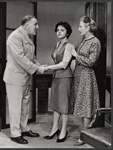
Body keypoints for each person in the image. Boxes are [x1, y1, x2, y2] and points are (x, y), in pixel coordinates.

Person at [3, 15, 45, 144]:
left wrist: (40, 65)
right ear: (27, 24)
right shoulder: (15, 37)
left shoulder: (27, 37)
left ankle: (24, 128)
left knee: (25, 107)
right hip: (15, 78)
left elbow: (32, 57)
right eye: (35, 24)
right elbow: (20, 58)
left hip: (25, 77)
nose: (37, 27)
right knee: (15, 107)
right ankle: (15, 134)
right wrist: (37, 69)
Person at [43, 21, 77, 143]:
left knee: (64, 105)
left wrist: (47, 67)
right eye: (57, 30)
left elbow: (63, 65)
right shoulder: (57, 44)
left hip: (65, 77)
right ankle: (54, 128)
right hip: (56, 77)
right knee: (56, 104)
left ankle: (63, 130)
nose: (59, 32)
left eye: (62, 30)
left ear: (67, 32)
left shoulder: (69, 46)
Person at [71, 16, 101, 146]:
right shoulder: (83, 39)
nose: (78, 29)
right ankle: (85, 134)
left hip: (86, 76)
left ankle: (85, 136)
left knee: (86, 106)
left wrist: (76, 55)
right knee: (81, 106)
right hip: (78, 75)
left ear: (88, 27)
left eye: (80, 26)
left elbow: (91, 61)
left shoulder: (95, 42)